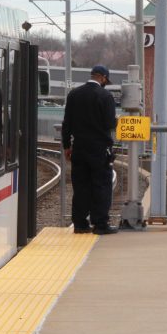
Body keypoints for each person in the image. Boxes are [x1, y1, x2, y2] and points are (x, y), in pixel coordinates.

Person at [61, 65, 119, 235]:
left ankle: (80, 224)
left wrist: (66, 146)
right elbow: (109, 124)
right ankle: (100, 224)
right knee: (101, 185)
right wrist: (116, 121)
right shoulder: (105, 96)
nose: (105, 84)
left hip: (79, 147)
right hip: (99, 149)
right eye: (105, 81)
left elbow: (67, 123)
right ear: (102, 77)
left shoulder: (74, 94)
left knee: (81, 186)